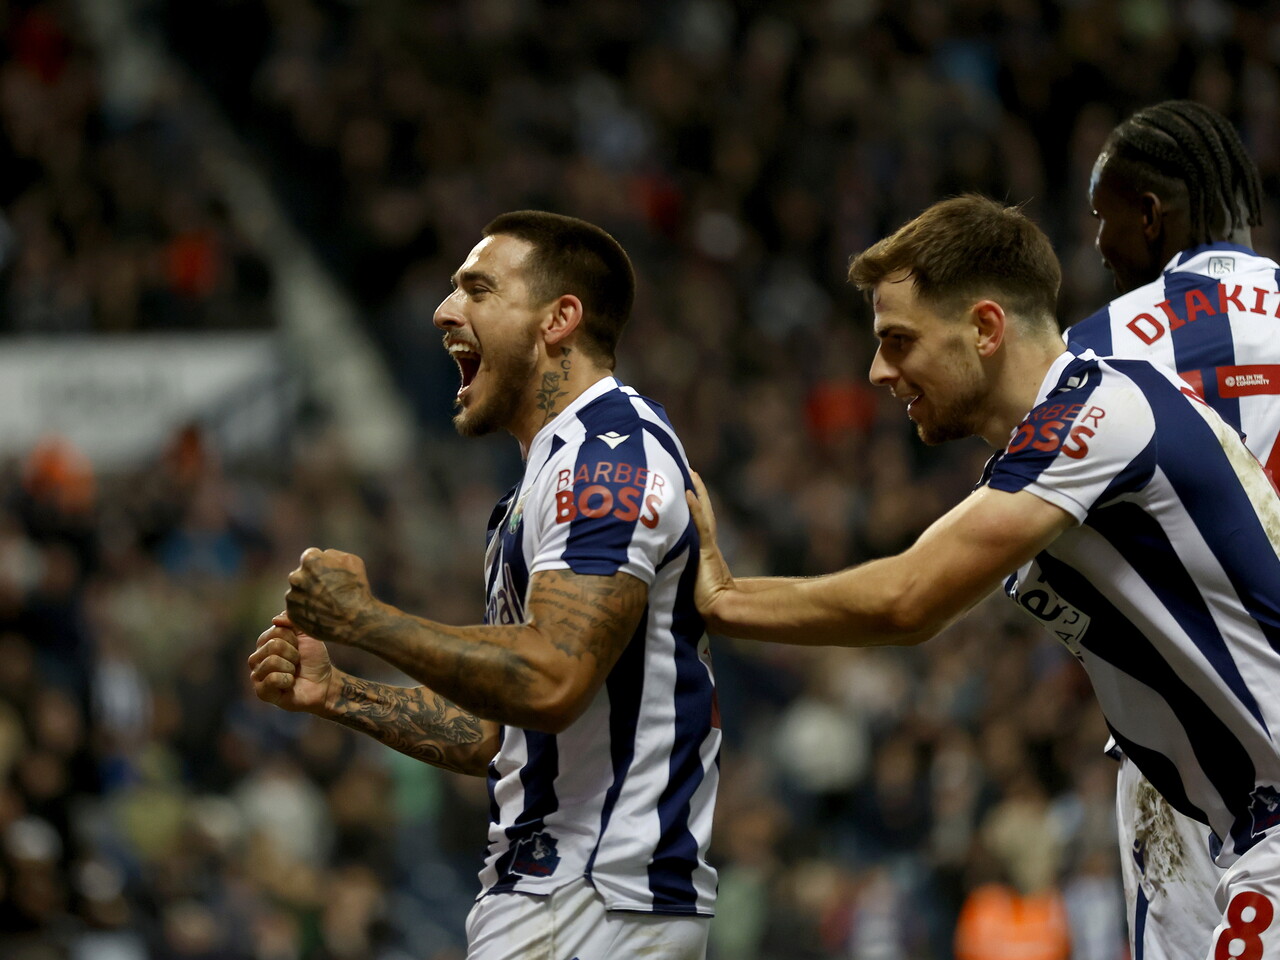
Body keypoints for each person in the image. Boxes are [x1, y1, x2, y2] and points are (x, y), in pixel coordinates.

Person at [688, 194, 1280, 959]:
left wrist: (724, 599)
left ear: (986, 328)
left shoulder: (1097, 411)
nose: (878, 371)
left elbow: (908, 599)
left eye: (898, 341)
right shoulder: (1051, 447)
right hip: (1244, 825)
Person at [247, 211, 719, 960]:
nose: (443, 311)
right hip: (560, 895)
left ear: (559, 319)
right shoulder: (548, 476)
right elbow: (507, 734)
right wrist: (338, 691)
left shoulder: (604, 462)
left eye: (476, 288)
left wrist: (363, 620)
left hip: (593, 897)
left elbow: (552, 681)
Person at [1067, 99, 1274, 960]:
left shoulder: (1098, 349)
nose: (1098, 244)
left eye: (1102, 220)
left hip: (1187, 756)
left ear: (1149, 213)